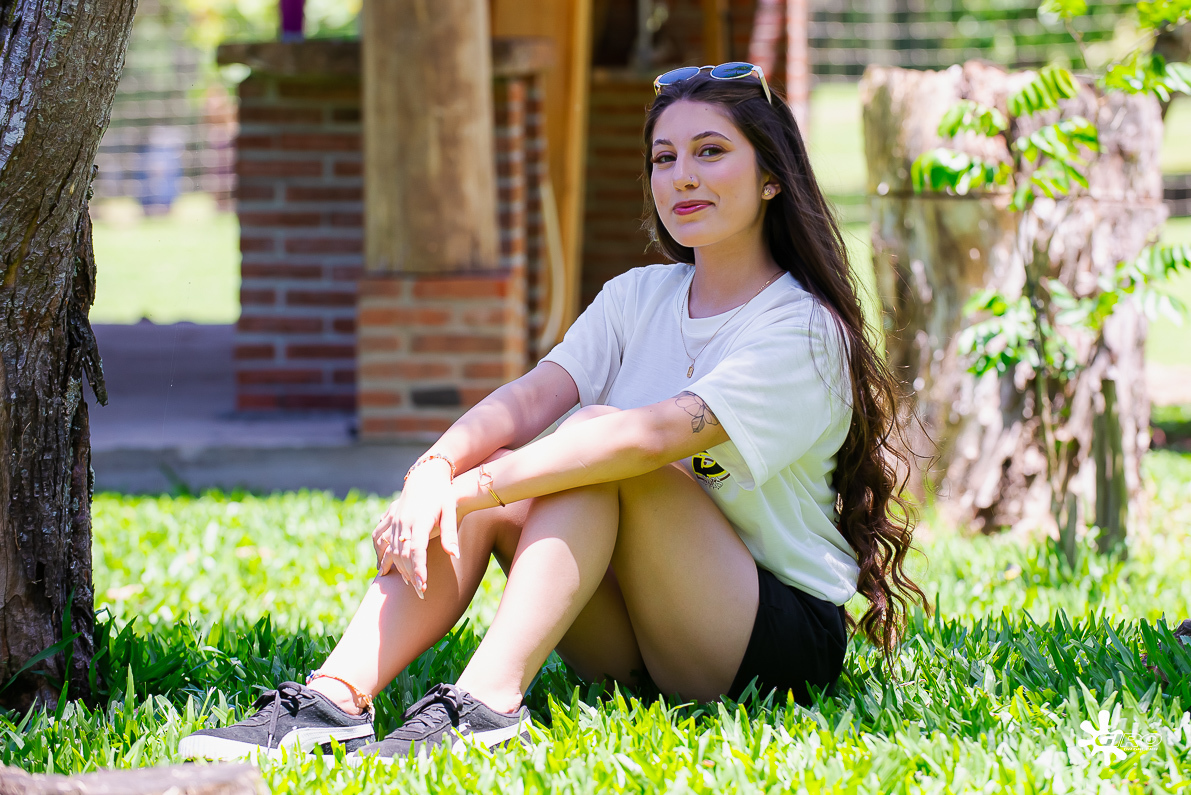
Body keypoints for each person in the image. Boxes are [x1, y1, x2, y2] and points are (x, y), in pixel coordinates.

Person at [179, 62, 928, 763]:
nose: (682, 176)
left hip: (768, 643)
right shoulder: (638, 296)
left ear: (770, 177)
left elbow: (649, 438)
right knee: (507, 461)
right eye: (663, 158)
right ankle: (334, 699)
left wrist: (470, 489)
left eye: (710, 152)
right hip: (641, 637)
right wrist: (435, 470)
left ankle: (485, 705)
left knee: (597, 446)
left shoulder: (800, 327)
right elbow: (534, 394)